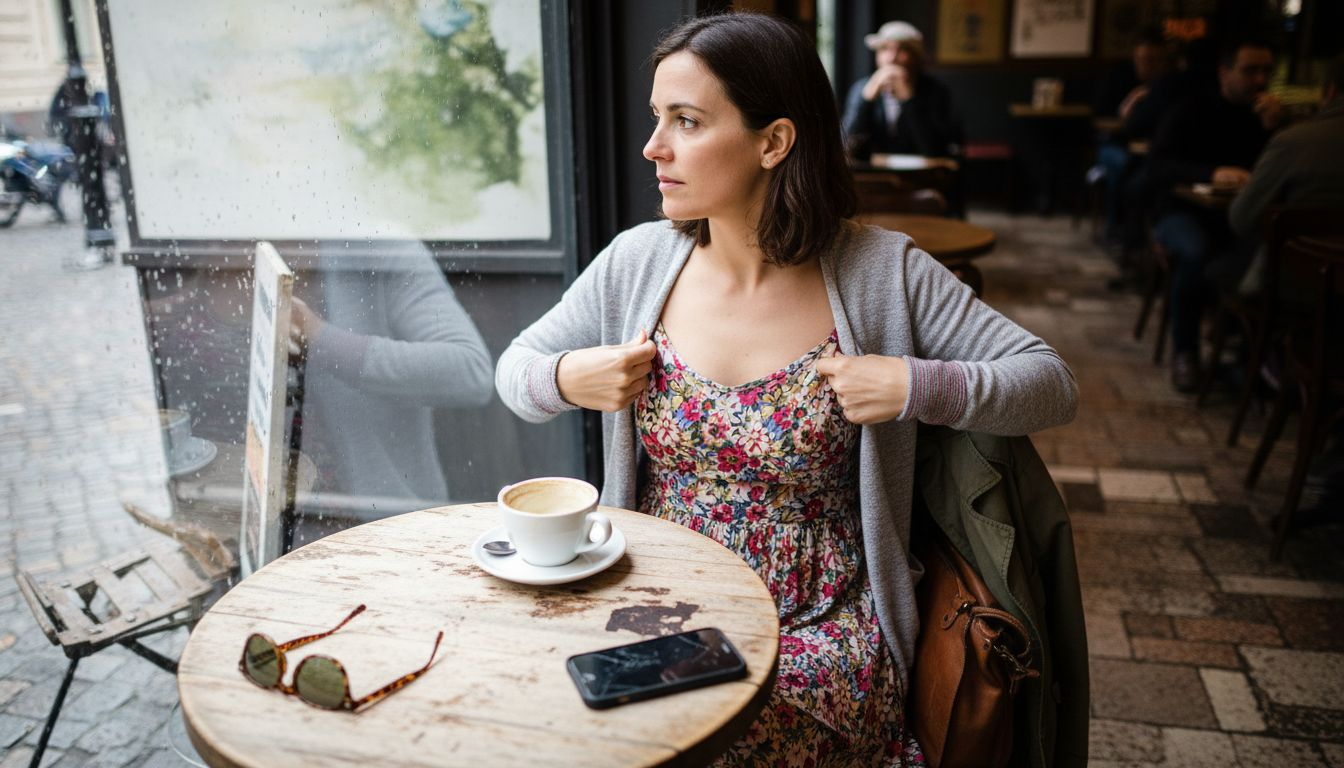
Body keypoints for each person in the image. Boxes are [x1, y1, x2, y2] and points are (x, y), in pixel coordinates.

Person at [497, 12, 1076, 765]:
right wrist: (568, 377)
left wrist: (912, 384)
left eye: (687, 121)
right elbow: (515, 371)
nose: (653, 147)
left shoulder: (882, 273)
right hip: (650, 603)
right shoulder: (637, 262)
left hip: (817, 620)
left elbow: (1051, 383)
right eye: (655, 119)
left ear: (774, 141)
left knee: (714, 736)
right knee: (550, 717)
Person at [1149, 38, 1281, 392]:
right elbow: (1157, 168)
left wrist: (1275, 130)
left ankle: (1246, 353)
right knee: (1196, 253)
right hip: (1181, 213)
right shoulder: (1190, 109)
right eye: (1250, 70)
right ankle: (1186, 352)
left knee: (1267, 257)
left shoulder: (1269, 121)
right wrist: (1210, 173)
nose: (1260, 79)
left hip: (1240, 219)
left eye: (1267, 71)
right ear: (1225, 73)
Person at [1228, 52, 1344, 286]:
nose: (1261, 80)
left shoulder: (1297, 141)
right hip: (1329, 289)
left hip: (1293, 285)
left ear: (1329, 91)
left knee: (1214, 263)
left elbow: (1240, 219)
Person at [841, 21, 962, 161]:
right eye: (884, 49)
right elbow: (845, 145)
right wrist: (866, 99)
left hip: (921, 177)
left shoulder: (935, 91)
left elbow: (935, 150)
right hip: (874, 176)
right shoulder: (861, 88)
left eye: (902, 50)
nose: (891, 58)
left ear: (915, 57)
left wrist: (909, 101)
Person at [1091, 28, 1169, 243]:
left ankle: (1146, 233)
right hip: (1113, 144)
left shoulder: (1168, 85)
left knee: (1156, 169)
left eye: (1155, 60)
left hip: (1151, 148)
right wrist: (1133, 100)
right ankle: (1115, 225)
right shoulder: (1119, 76)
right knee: (1124, 163)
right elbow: (1099, 119)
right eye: (1144, 59)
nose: (1148, 66)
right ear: (1135, 56)